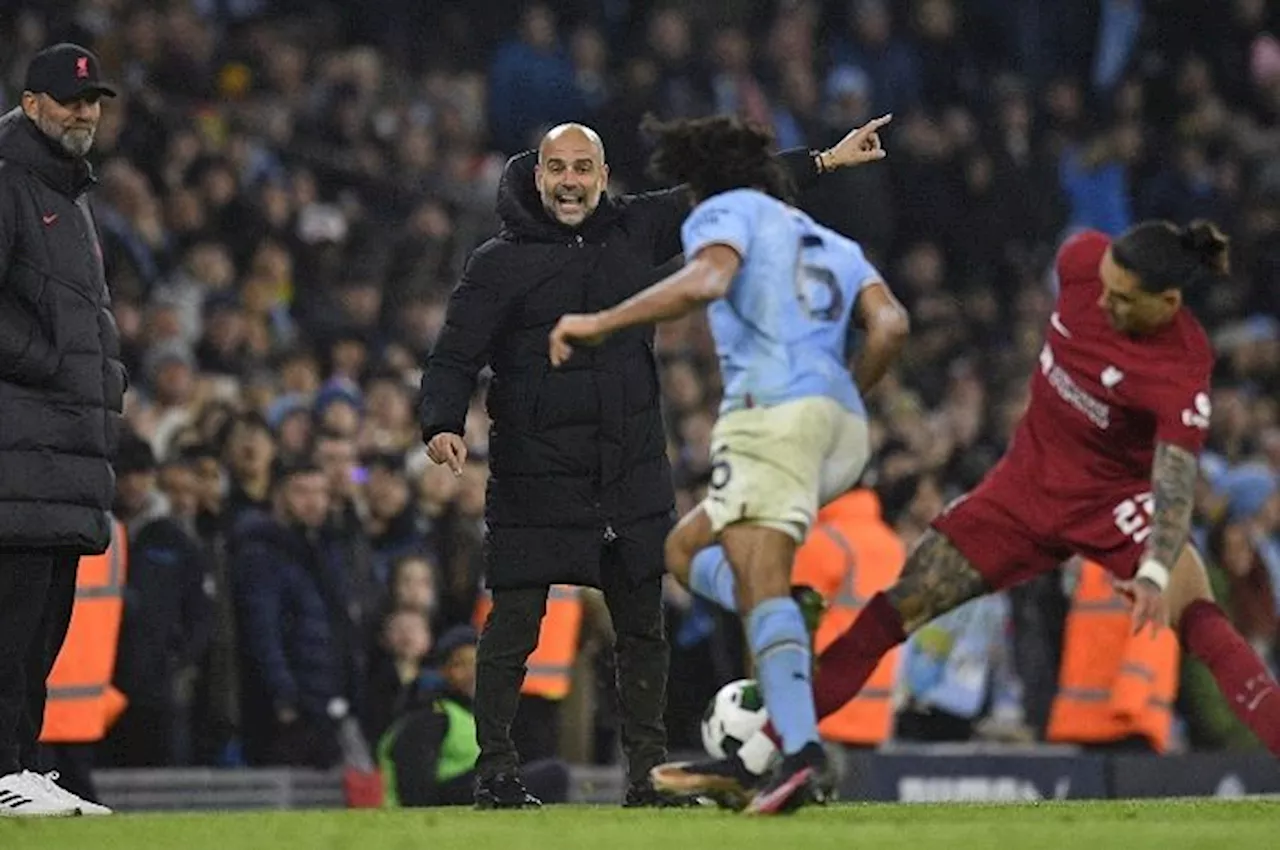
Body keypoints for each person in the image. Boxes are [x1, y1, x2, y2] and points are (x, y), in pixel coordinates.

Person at [648, 220, 1280, 808]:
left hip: (1111, 506)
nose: (1105, 305)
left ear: (1167, 304)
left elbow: (1173, 487)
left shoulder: (1180, 368)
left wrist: (1154, 574)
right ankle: (776, 756)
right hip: (1018, 494)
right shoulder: (1082, 259)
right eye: (1106, 288)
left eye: (1125, 301)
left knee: (1202, 622)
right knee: (891, 612)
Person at [419, 116, 892, 808]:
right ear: (538, 174)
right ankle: (496, 774)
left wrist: (824, 160)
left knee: (644, 631)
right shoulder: (497, 263)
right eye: (559, 169)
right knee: (514, 625)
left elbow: (727, 188)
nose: (572, 181)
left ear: (604, 177)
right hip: (534, 476)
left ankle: (647, 778)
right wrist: (441, 422)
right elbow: (454, 355)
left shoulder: (635, 227)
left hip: (630, 471)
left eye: (585, 168)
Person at [548, 112, 905, 815]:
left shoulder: (723, 213)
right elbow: (891, 325)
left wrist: (600, 322)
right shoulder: (830, 240)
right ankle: (780, 619)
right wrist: (840, 394)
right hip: (841, 430)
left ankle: (798, 755)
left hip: (770, 418)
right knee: (684, 551)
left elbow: (708, 281)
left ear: (698, 185)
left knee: (758, 582)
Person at [0, 43, 126, 816]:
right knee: (12, 619)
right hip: (17, 443)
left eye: (94, 100)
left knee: (44, 621)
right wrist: (45, 357)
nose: (84, 112)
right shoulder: (9, 180)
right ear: (33, 102)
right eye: (69, 99)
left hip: (64, 444)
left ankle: (23, 766)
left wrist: (104, 379)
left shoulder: (69, 195)